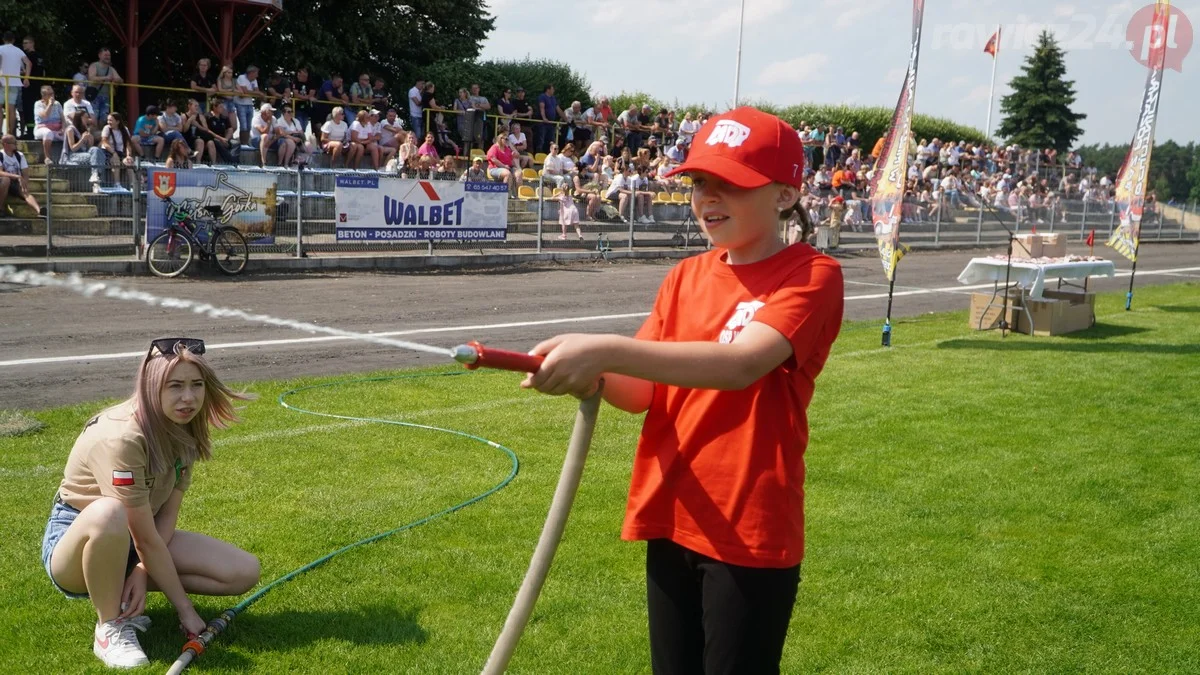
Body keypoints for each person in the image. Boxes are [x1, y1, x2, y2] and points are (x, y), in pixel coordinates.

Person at [520, 107, 842, 675]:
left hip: (749, 525)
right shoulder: (686, 276)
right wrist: (585, 374)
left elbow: (743, 363)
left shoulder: (811, 274)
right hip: (673, 508)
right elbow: (642, 389)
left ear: (786, 195)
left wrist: (605, 349)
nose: (708, 199)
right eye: (699, 183)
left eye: (731, 185)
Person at [40, 337, 260, 668]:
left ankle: (121, 584)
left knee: (243, 572)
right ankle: (110, 626)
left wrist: (142, 569)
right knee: (108, 513)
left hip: (134, 538)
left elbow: (165, 516)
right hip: (79, 543)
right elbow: (141, 534)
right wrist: (185, 609)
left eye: (196, 385)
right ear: (151, 385)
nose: (188, 397)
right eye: (175, 386)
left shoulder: (184, 426)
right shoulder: (123, 438)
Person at [0, 133, 41, 215]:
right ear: (5, 144)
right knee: (6, 180)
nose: (16, 144)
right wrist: (17, 176)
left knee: (26, 193)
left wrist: (24, 184)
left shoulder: (19, 155)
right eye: (14, 143)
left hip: (16, 183)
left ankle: (39, 211)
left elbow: (25, 173)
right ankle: (0, 208)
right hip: (3, 182)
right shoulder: (1, 155)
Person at [0, 33, 30, 137]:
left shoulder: (1, 49)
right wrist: (26, 78)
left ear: (4, 40)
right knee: (11, 108)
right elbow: (29, 63)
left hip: (1, 82)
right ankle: (10, 133)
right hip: (14, 83)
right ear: (13, 40)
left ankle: (0, 133)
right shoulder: (18, 51)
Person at [87, 47, 123, 123]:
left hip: (106, 96)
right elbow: (92, 78)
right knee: (93, 117)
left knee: (104, 118)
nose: (107, 57)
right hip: (94, 96)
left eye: (109, 55)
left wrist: (116, 80)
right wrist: (106, 78)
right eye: (105, 55)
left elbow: (120, 80)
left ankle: (100, 133)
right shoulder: (94, 65)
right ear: (99, 55)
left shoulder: (111, 69)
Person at [21, 36, 46, 139]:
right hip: (38, 85)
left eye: (26, 43)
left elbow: (28, 69)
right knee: (34, 108)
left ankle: (31, 132)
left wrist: (22, 73)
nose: (24, 45)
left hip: (29, 85)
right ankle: (33, 131)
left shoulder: (28, 56)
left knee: (28, 108)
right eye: (23, 43)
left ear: (32, 43)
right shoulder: (40, 56)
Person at [32, 85, 64, 164]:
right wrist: (49, 104)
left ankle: (67, 158)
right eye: (49, 94)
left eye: (52, 93)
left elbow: (63, 118)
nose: (52, 96)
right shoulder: (38, 104)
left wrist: (63, 128)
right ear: (43, 96)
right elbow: (45, 115)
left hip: (56, 129)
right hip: (42, 128)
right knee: (48, 133)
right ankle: (47, 158)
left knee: (69, 134)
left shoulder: (58, 104)